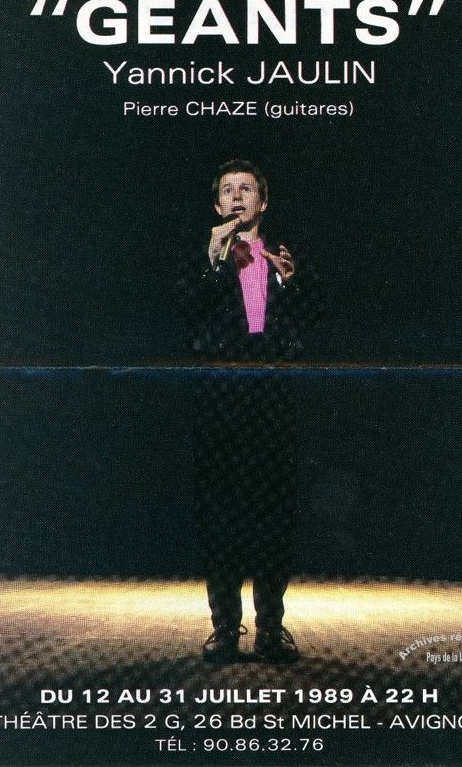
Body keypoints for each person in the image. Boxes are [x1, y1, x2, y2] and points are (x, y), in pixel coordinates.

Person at [176, 159, 321, 663]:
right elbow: (186, 316)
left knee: (274, 519)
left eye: (246, 189)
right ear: (217, 204)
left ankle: (271, 628)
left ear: (263, 201)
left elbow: (314, 325)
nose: (237, 196)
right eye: (227, 190)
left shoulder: (286, 257)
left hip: (273, 404)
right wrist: (214, 264)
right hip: (220, 405)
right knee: (220, 518)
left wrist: (292, 284)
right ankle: (224, 627)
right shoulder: (202, 259)